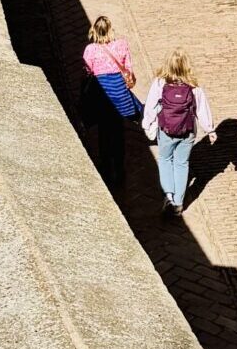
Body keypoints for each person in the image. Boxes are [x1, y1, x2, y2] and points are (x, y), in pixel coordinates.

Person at [142, 50, 216, 217]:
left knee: (165, 160)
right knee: (182, 164)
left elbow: (151, 106)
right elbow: (202, 110)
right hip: (187, 131)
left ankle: (168, 194)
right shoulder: (193, 86)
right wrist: (210, 129)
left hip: (166, 130)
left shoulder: (160, 83)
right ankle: (178, 203)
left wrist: (147, 124)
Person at [80, 14, 141, 180]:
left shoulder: (90, 50)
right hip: (118, 94)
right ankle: (120, 169)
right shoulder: (121, 45)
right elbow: (128, 67)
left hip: (101, 94)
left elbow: (88, 71)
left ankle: (106, 167)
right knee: (118, 131)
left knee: (103, 131)